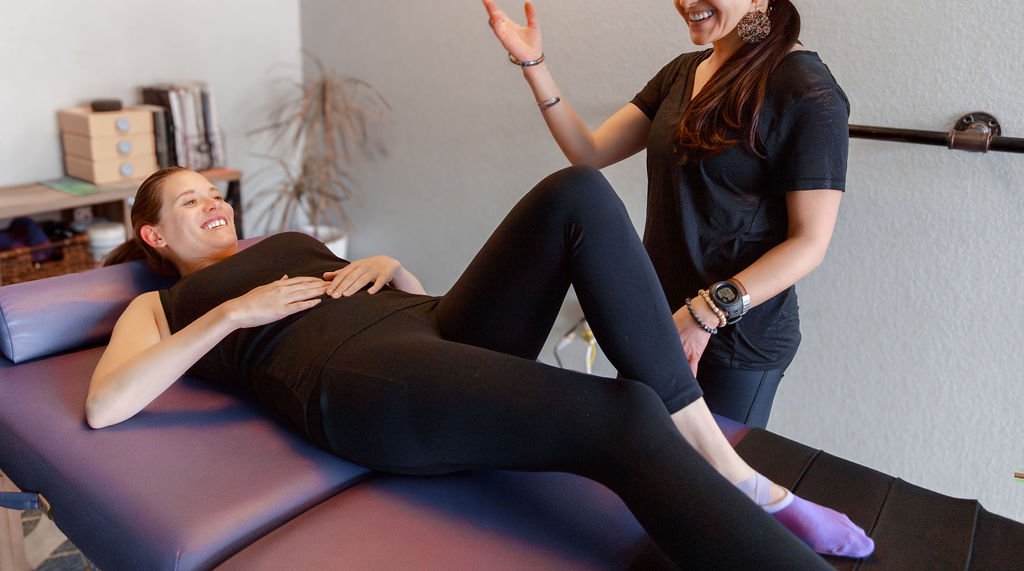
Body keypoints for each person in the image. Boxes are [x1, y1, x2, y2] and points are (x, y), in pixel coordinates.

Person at [86, 166, 873, 567]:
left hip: (424, 328)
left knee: (576, 192)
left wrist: (392, 266)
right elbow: (106, 404)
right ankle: (726, 473)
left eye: (211, 191)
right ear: (155, 236)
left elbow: (419, 325)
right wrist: (232, 313)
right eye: (188, 202)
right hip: (358, 381)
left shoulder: (287, 242)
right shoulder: (162, 305)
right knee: (620, 413)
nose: (212, 202)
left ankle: (703, 439)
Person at [482, 0, 849, 429]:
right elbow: (588, 153)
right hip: (658, 322)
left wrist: (708, 312)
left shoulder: (807, 91)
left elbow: (809, 243)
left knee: (705, 490)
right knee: (632, 469)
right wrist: (534, 66)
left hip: (735, 340)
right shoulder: (684, 72)